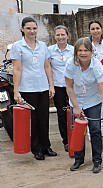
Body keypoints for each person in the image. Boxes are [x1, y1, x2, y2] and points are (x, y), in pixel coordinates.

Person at [11, 17, 56, 160]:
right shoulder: (18, 47)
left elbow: (47, 66)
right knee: (34, 119)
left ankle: (46, 146)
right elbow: (17, 69)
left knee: (44, 118)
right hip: (27, 88)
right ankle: (36, 148)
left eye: (34, 28)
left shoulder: (43, 46)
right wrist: (16, 90)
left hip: (42, 87)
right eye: (29, 28)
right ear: (22, 29)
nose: (32, 31)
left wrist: (51, 85)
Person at [65, 38, 103, 174]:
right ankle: (79, 159)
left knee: (95, 130)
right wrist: (76, 106)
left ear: (91, 52)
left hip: (93, 101)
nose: (83, 53)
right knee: (78, 131)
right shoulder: (71, 64)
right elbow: (69, 87)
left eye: (86, 50)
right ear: (75, 52)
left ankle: (97, 160)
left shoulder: (96, 66)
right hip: (77, 100)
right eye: (80, 50)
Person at [48, 25, 74, 152]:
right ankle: (66, 140)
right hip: (58, 87)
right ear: (54, 36)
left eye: (63, 35)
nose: (60, 37)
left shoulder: (74, 50)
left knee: (75, 112)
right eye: (58, 35)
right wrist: (51, 86)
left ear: (67, 35)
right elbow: (47, 69)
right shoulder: (50, 51)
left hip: (73, 87)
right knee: (61, 113)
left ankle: (76, 135)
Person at [89, 20, 103, 139]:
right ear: (89, 31)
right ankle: (90, 131)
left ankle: (102, 128)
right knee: (89, 106)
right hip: (88, 81)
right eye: (93, 29)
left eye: (97, 28)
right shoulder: (86, 43)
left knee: (102, 104)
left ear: (101, 29)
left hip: (102, 80)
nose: (95, 31)